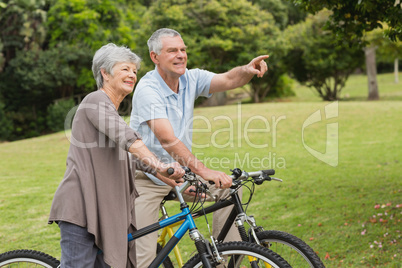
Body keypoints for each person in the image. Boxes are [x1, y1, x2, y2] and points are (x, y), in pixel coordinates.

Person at [130, 28, 269, 267]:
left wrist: (247, 70)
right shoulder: (147, 89)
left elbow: (228, 79)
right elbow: (167, 140)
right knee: (143, 260)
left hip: (180, 174)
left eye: (183, 49)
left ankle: (223, 261)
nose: (181, 55)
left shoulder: (190, 78)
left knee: (228, 189)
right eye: (172, 50)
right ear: (155, 57)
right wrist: (203, 172)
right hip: (146, 178)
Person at [48, 43, 184, 268]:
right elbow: (128, 140)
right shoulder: (95, 101)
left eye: (134, 71)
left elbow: (132, 158)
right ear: (105, 73)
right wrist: (160, 165)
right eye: (125, 69)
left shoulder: (111, 112)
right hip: (82, 208)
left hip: (105, 212)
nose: (132, 75)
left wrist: (173, 179)